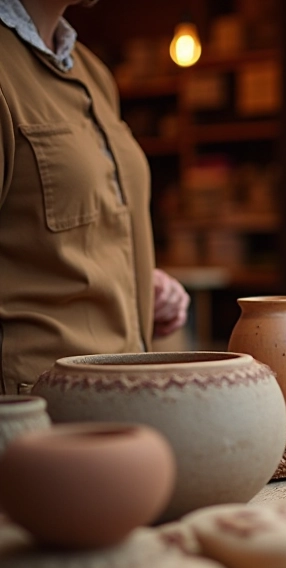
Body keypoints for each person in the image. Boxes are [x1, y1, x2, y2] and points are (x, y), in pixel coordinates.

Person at [0, 0, 190, 393]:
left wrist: (134, 281)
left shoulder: (92, 71)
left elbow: (62, 235)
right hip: (36, 418)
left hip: (125, 393)